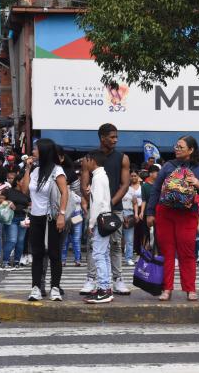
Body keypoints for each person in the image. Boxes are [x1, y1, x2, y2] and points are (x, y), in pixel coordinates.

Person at [146, 136, 199, 302]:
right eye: (176, 146)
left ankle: (190, 289)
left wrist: (198, 184)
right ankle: (167, 288)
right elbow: (156, 189)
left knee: (187, 253)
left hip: (187, 215)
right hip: (165, 214)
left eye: (181, 147)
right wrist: (150, 213)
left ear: (191, 150)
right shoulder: (168, 166)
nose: (176, 149)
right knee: (167, 253)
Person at [80, 123, 131, 296]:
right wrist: (94, 204)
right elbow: (83, 185)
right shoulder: (89, 158)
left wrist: (109, 203)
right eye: (112, 137)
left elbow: (125, 185)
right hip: (97, 209)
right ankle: (91, 279)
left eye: (116, 136)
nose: (115, 140)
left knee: (116, 245)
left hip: (115, 208)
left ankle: (117, 280)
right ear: (102, 138)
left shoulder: (123, 157)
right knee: (93, 245)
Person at [21, 139, 69, 302]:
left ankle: (55, 287)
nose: (33, 151)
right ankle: (35, 288)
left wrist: (61, 214)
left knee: (54, 254)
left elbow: (65, 193)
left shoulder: (57, 170)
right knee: (37, 254)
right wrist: (27, 168)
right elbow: (24, 189)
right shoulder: (35, 171)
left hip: (51, 217)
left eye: (36, 148)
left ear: (44, 151)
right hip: (36, 217)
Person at [83, 150, 115, 304]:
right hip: (105, 218)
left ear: (91, 160)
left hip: (100, 219)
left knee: (98, 254)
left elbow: (97, 204)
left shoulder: (98, 177)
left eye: (85, 160)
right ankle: (106, 287)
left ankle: (104, 289)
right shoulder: (101, 175)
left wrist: (91, 223)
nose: (84, 163)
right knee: (104, 253)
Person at [0, 171, 31, 270]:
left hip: (23, 218)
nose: (26, 183)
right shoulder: (8, 191)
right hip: (11, 218)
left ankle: (17, 261)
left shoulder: (25, 193)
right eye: (23, 181)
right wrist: (8, 202)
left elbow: (30, 203)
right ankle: (5, 262)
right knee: (12, 240)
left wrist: (29, 208)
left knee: (20, 242)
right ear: (17, 182)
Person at [121, 169, 142, 266]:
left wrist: (136, 214)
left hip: (129, 213)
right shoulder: (115, 189)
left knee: (129, 238)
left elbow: (135, 203)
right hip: (118, 213)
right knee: (116, 238)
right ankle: (114, 257)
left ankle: (128, 258)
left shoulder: (131, 190)